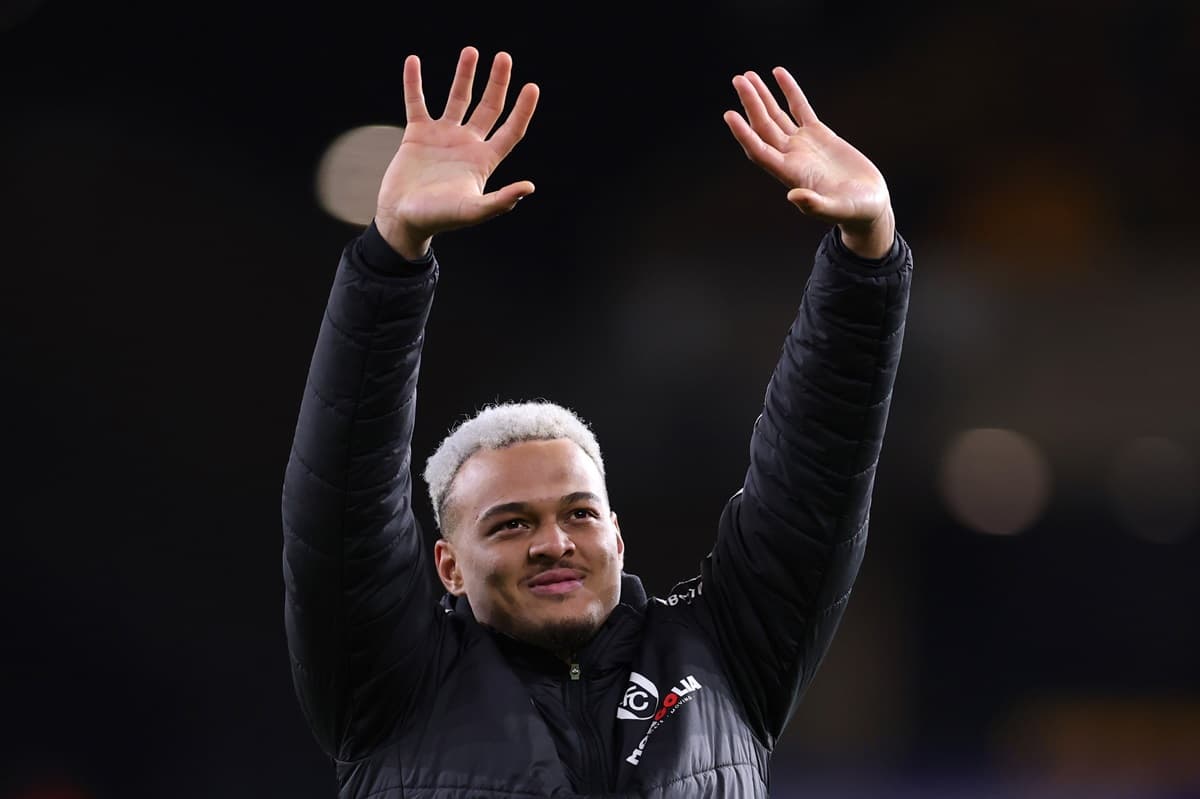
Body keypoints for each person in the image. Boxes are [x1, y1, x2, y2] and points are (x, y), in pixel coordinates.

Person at [282, 45, 912, 798]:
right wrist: (391, 258)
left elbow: (817, 470)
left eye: (577, 513)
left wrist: (866, 254)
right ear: (447, 564)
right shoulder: (391, 680)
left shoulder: (726, 656)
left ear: (616, 534)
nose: (554, 543)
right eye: (509, 524)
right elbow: (341, 493)